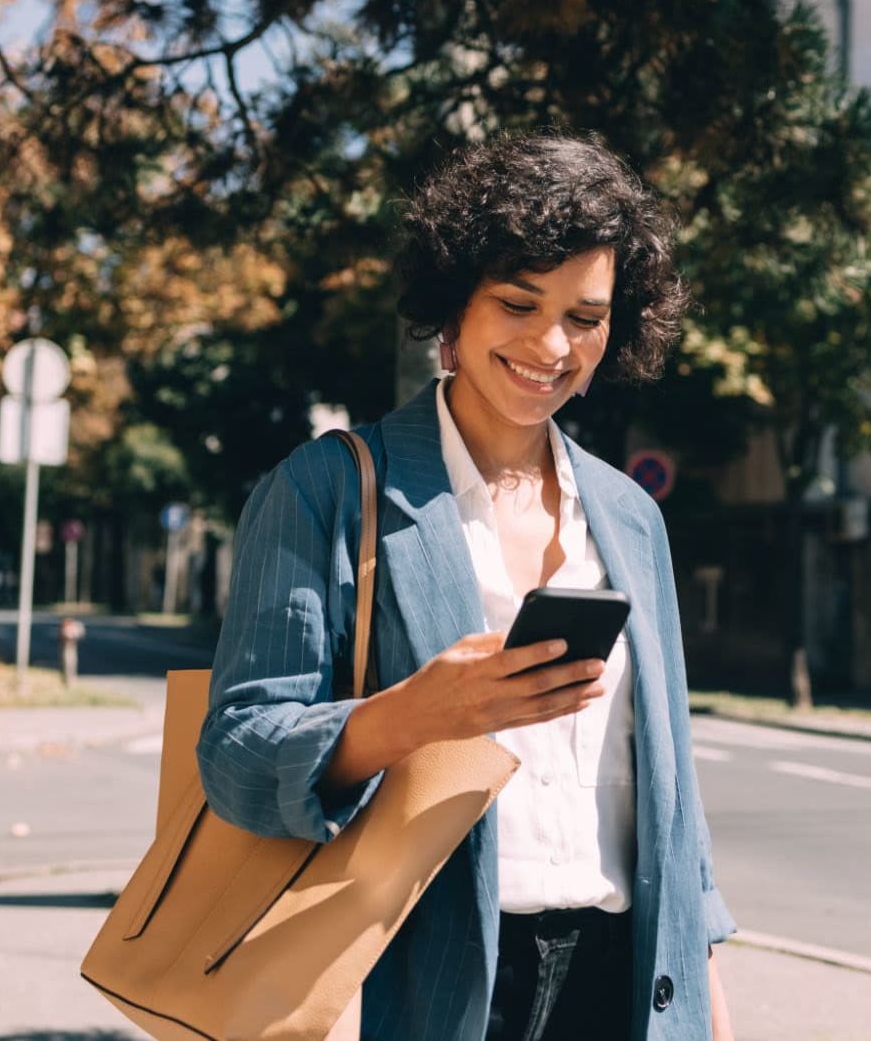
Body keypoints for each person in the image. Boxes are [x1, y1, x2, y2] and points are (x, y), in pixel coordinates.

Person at [198, 132, 736, 1041]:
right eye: (518, 303)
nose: (552, 343)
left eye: (586, 315)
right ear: (454, 306)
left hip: (624, 979)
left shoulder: (631, 517)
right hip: (427, 979)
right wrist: (415, 713)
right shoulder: (326, 489)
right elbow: (239, 756)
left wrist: (710, 1008)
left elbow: (672, 797)